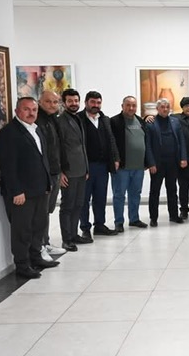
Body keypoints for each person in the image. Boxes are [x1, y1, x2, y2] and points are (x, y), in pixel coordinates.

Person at [0, 97, 58, 279]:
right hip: (22, 193)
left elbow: (43, 159)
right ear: (17, 111)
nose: (31, 113)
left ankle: (36, 258)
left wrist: (48, 183)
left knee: (39, 226)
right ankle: (22, 265)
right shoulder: (9, 133)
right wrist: (16, 191)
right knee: (22, 231)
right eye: (26, 109)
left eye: (34, 110)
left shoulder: (36, 129)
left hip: (40, 189)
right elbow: (7, 165)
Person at [78, 91, 120, 238]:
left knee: (100, 197)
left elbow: (111, 139)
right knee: (84, 199)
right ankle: (85, 228)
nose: (96, 105)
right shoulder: (79, 119)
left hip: (102, 166)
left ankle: (100, 225)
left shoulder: (104, 119)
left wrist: (115, 158)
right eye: (93, 102)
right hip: (86, 166)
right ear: (86, 103)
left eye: (98, 102)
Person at [110, 96, 151, 231]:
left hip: (139, 167)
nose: (131, 108)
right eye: (128, 105)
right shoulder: (114, 121)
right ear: (122, 106)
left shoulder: (140, 121)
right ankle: (119, 222)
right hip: (122, 167)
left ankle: (134, 219)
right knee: (119, 195)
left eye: (134, 105)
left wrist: (147, 162)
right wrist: (114, 159)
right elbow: (111, 142)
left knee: (135, 194)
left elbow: (145, 141)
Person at [57, 89, 91, 251]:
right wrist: (60, 172)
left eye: (76, 100)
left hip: (81, 169)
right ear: (64, 103)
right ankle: (66, 239)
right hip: (68, 171)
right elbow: (57, 148)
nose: (74, 103)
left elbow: (82, 146)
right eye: (70, 101)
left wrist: (86, 168)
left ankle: (74, 234)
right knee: (68, 206)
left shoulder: (78, 118)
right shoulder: (60, 121)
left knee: (78, 204)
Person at [146, 98, 187, 227]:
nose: (165, 109)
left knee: (172, 190)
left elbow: (181, 140)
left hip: (172, 162)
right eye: (162, 107)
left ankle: (174, 215)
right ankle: (153, 218)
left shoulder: (175, 122)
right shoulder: (151, 123)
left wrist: (183, 158)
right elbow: (147, 145)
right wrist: (151, 163)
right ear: (157, 109)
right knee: (155, 191)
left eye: (167, 107)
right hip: (157, 164)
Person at [35, 90, 66, 260]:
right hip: (44, 175)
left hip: (55, 172)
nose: (52, 105)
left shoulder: (53, 119)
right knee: (41, 213)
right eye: (48, 101)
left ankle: (45, 243)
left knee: (47, 211)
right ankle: (39, 247)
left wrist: (61, 170)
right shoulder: (37, 121)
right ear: (40, 102)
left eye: (55, 102)